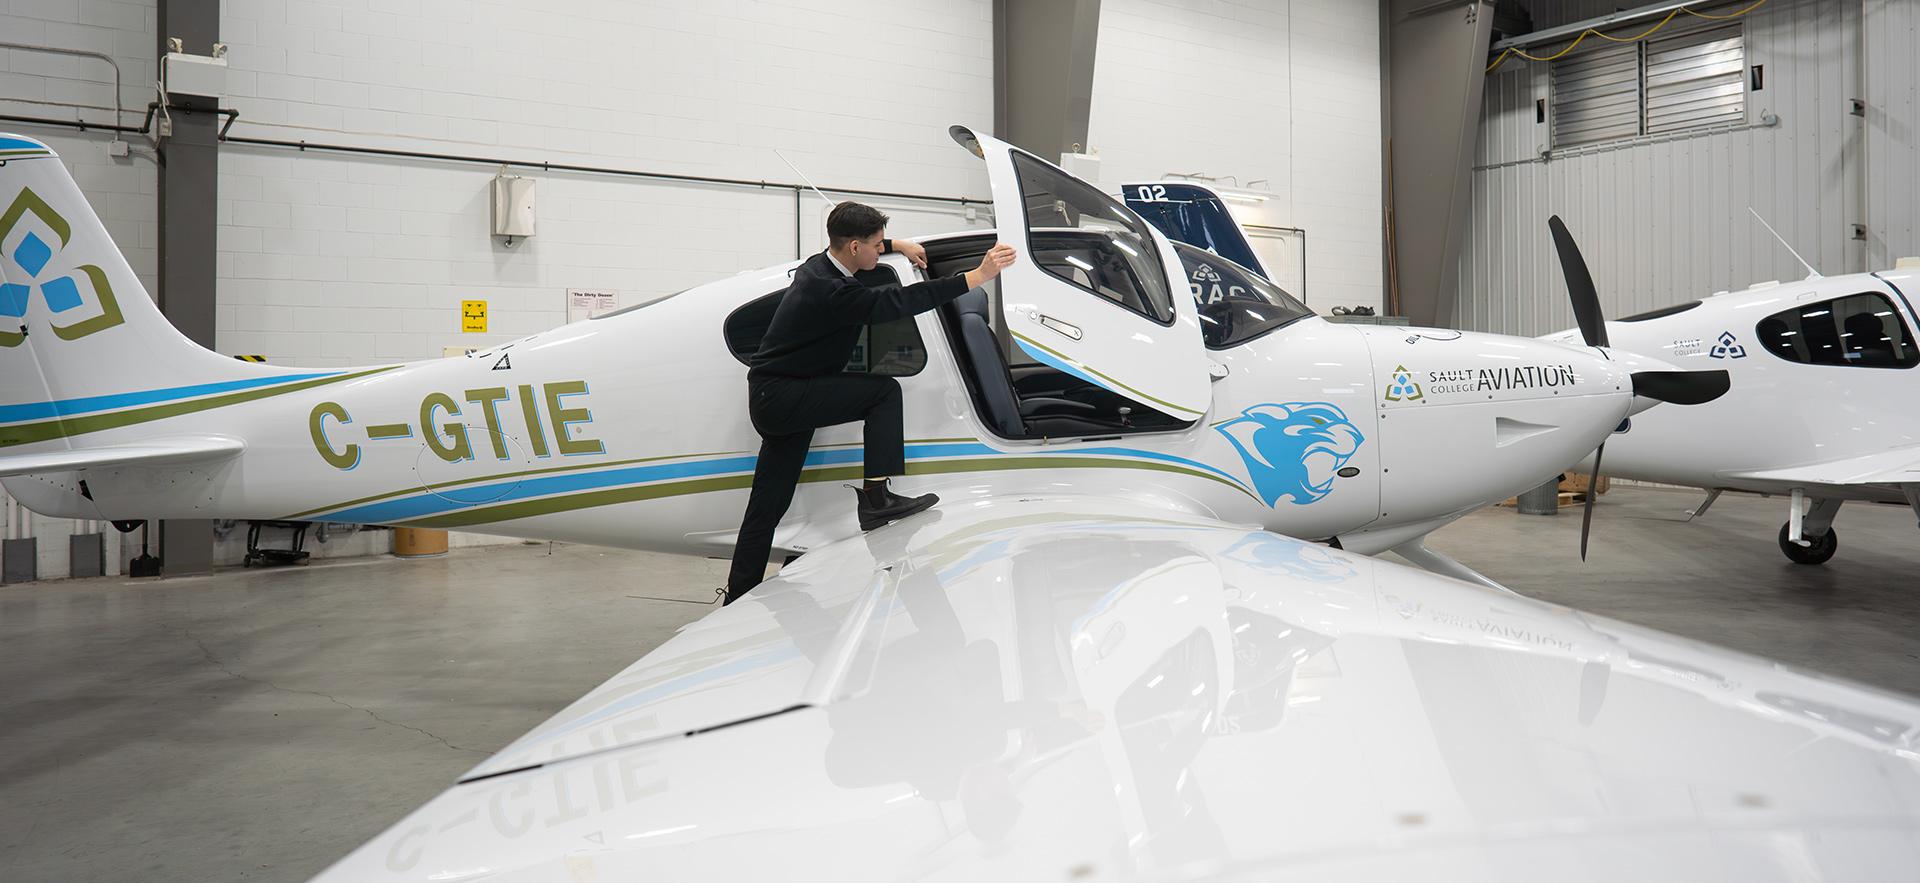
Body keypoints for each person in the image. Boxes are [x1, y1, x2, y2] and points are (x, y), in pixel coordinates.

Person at [723, 202, 1017, 605]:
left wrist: (898, 244)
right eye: (877, 245)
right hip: (784, 396)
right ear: (855, 247)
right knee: (883, 392)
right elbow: (898, 303)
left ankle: (738, 595)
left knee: (767, 508)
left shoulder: (819, 266)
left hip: (776, 394)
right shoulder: (834, 292)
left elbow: (861, 249)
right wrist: (977, 276)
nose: (881, 251)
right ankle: (877, 499)